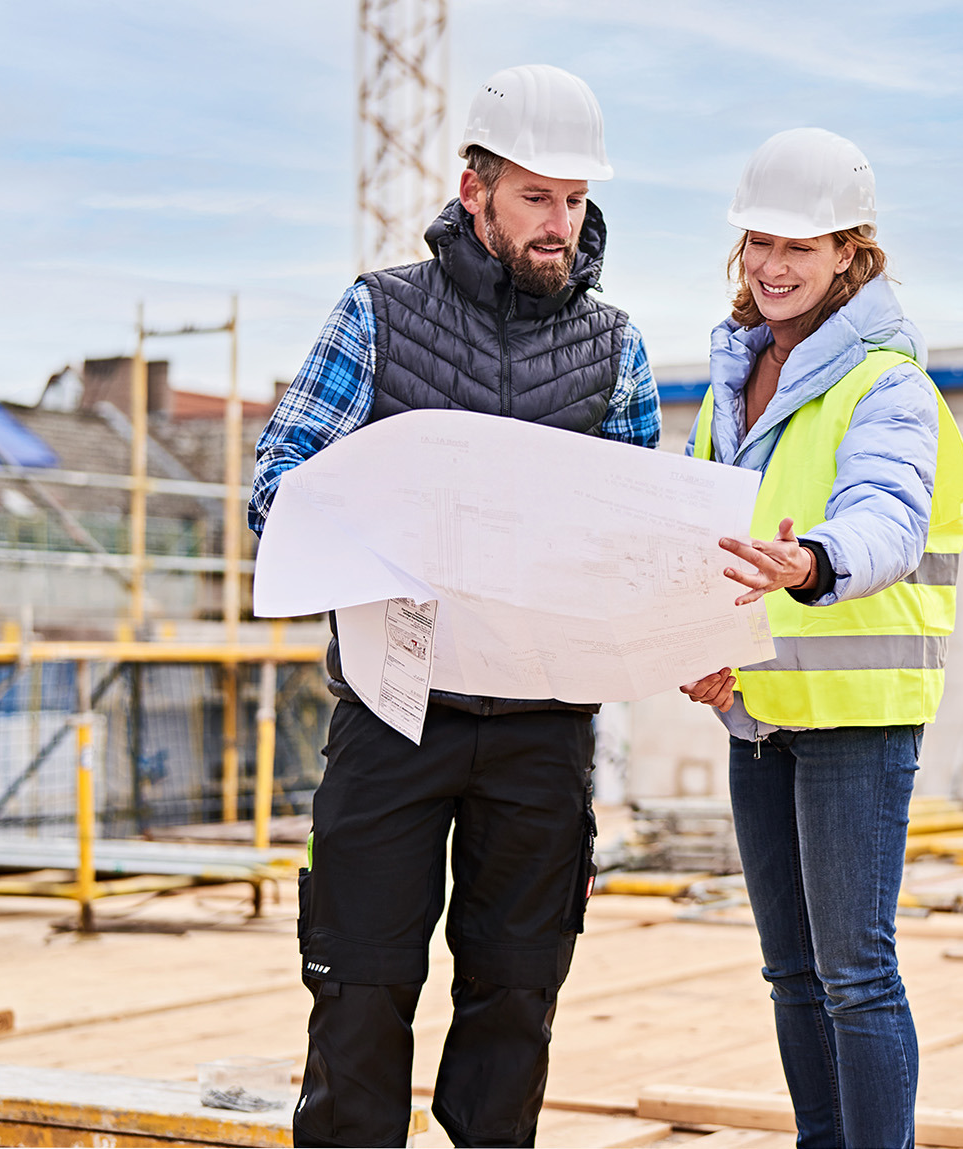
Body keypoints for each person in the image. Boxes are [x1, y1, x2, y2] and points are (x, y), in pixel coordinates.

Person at [249, 64, 659, 1148]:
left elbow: (639, 527)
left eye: (574, 199)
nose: (559, 222)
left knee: (516, 997)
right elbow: (277, 483)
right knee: (361, 984)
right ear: (473, 188)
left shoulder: (616, 349)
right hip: (394, 715)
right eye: (535, 196)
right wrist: (388, 523)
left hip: (541, 728)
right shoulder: (377, 312)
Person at [678, 127, 963, 1149]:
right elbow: (690, 523)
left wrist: (813, 563)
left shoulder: (885, 382)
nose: (771, 264)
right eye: (758, 241)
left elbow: (886, 514)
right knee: (790, 973)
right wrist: (687, 637)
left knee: (855, 974)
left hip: (855, 714)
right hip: (757, 709)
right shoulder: (733, 372)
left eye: (798, 247)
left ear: (850, 251)